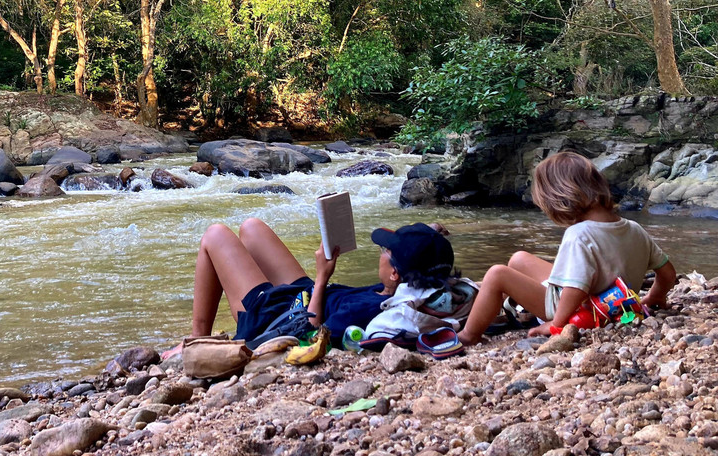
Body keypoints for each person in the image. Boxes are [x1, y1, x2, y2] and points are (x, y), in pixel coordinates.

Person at [458, 151, 677, 346]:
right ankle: (505, 304)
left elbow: (576, 290)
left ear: (559, 198)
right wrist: (656, 297)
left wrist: (556, 324)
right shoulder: (634, 228)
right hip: (613, 304)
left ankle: (469, 334)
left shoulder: (578, 234)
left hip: (580, 310)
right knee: (518, 259)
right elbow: (667, 273)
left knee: (497, 274)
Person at [164, 216, 459, 356]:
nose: (381, 254)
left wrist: (322, 277)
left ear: (395, 273)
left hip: (280, 316)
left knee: (215, 235)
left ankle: (196, 339)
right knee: (252, 227)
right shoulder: (405, 288)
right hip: (303, 295)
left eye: (386, 252)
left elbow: (313, 333)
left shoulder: (369, 307)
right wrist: (429, 237)